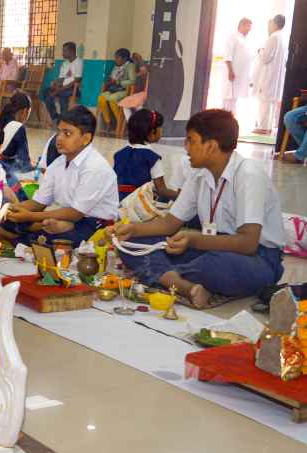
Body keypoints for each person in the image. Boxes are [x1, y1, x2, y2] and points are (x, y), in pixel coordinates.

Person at [111, 109, 285, 307]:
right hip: (210, 247)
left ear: (210, 146)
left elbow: (248, 243)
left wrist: (194, 239)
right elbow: (170, 223)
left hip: (257, 258)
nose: (186, 148)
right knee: (130, 243)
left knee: (215, 266)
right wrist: (132, 228)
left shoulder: (249, 174)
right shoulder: (199, 174)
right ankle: (183, 283)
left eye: (191, 141)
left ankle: (167, 277)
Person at [0, 106, 118, 247]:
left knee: (49, 241)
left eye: (67, 134)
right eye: (59, 132)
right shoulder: (59, 162)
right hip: (67, 217)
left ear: (86, 138)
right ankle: (25, 234)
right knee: (5, 219)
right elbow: (38, 203)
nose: (59, 138)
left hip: (94, 223)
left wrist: (30, 216)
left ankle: (18, 237)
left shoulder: (95, 167)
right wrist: (8, 209)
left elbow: (75, 213)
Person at [113, 109, 179, 200]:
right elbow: (162, 190)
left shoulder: (119, 154)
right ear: (152, 133)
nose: (161, 131)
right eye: (160, 128)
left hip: (118, 200)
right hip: (137, 203)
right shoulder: (152, 158)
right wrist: (182, 197)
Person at [253, 15, 287, 134]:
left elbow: (266, 57)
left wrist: (260, 50)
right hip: (275, 76)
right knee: (270, 101)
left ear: (274, 23)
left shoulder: (273, 37)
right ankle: (267, 127)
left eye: (271, 23)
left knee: (265, 100)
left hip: (269, 75)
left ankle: (263, 128)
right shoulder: (282, 37)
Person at [40, 42, 83, 123]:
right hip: (62, 88)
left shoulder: (79, 62)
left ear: (72, 51)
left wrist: (59, 90)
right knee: (46, 92)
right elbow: (61, 79)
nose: (62, 53)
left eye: (64, 51)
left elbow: (77, 80)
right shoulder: (65, 63)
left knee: (62, 95)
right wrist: (56, 85)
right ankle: (55, 117)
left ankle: (64, 119)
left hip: (73, 89)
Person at [96, 48, 136, 129]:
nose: (115, 60)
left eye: (117, 58)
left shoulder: (130, 66)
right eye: (115, 57)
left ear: (124, 59)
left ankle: (119, 123)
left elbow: (132, 81)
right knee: (101, 98)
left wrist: (119, 82)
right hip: (113, 89)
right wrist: (109, 81)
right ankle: (108, 122)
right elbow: (112, 77)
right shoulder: (116, 67)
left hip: (124, 90)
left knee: (112, 100)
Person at [222, 18, 253, 114]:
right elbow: (228, 56)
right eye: (248, 27)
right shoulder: (232, 37)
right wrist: (230, 71)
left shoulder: (244, 40)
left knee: (234, 99)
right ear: (241, 25)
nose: (249, 29)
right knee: (228, 98)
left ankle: (230, 118)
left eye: (250, 27)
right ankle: (225, 119)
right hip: (232, 74)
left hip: (240, 76)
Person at [0, 92, 32, 173]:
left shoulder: (1, 119)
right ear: (25, 111)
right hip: (1, 170)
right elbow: (25, 163)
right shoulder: (18, 127)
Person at [117, 53, 149, 121]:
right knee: (126, 105)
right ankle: (131, 124)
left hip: (141, 95)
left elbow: (143, 72)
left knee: (138, 107)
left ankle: (135, 124)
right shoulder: (131, 71)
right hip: (135, 95)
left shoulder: (145, 74)